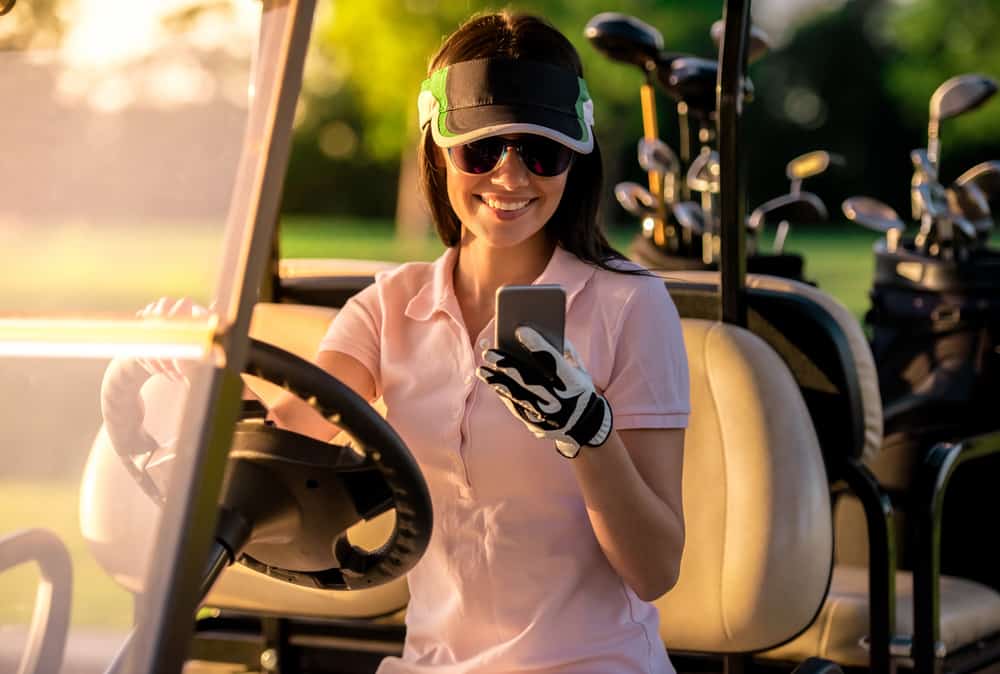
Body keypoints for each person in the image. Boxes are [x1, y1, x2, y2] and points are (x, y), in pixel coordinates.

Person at [269, 11, 690, 674]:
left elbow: (657, 568)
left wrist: (588, 433)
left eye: (542, 151)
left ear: (575, 159)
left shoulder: (632, 306)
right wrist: (193, 374)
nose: (512, 177)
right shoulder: (388, 308)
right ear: (438, 146)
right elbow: (286, 435)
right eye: (481, 149)